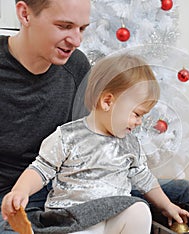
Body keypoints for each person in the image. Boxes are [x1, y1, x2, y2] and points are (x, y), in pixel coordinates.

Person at [1, 54, 189, 234]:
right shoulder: (69, 136)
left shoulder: (130, 144)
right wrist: (20, 191)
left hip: (111, 217)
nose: (139, 122)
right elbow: (41, 169)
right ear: (108, 101)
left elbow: (144, 179)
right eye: (137, 114)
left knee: (139, 209)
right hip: (72, 220)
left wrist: (167, 206)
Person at [0, 0, 91, 233]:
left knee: (180, 191)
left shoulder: (77, 66)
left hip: (57, 187)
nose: (76, 41)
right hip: (7, 200)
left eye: (81, 29)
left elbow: (81, 143)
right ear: (25, 14)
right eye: (64, 26)